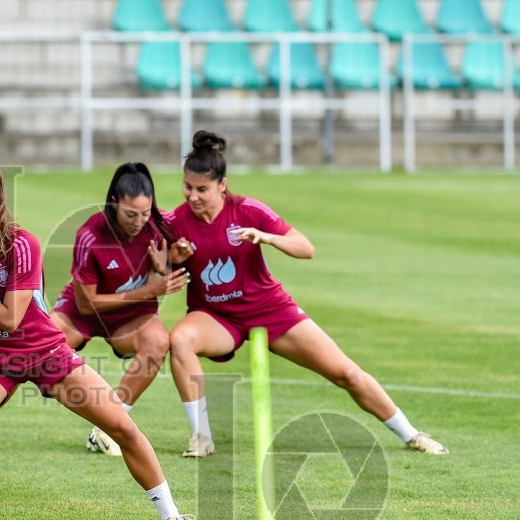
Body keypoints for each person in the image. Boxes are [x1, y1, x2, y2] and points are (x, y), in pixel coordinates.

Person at [0, 164, 201, 520]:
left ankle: (172, 518)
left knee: (123, 427)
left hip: (45, 354)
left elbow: (11, 317)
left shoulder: (23, 244)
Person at [166, 130, 448, 458]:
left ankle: (411, 434)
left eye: (202, 189)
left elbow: (306, 248)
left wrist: (266, 237)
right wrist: (171, 259)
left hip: (268, 309)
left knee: (346, 373)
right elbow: (155, 267)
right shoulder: (175, 221)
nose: (193, 196)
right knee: (180, 339)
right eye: (188, 187)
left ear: (222, 185)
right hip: (216, 316)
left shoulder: (248, 210)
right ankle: (202, 437)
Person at [49, 162, 188, 456]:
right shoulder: (91, 234)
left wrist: (174, 260)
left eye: (145, 213)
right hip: (82, 312)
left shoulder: (158, 228)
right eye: (130, 214)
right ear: (113, 203)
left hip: (130, 319)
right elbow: (88, 305)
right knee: (31, 347)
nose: (139, 221)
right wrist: (149, 290)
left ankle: (106, 429)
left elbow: (176, 259)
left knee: (158, 341)